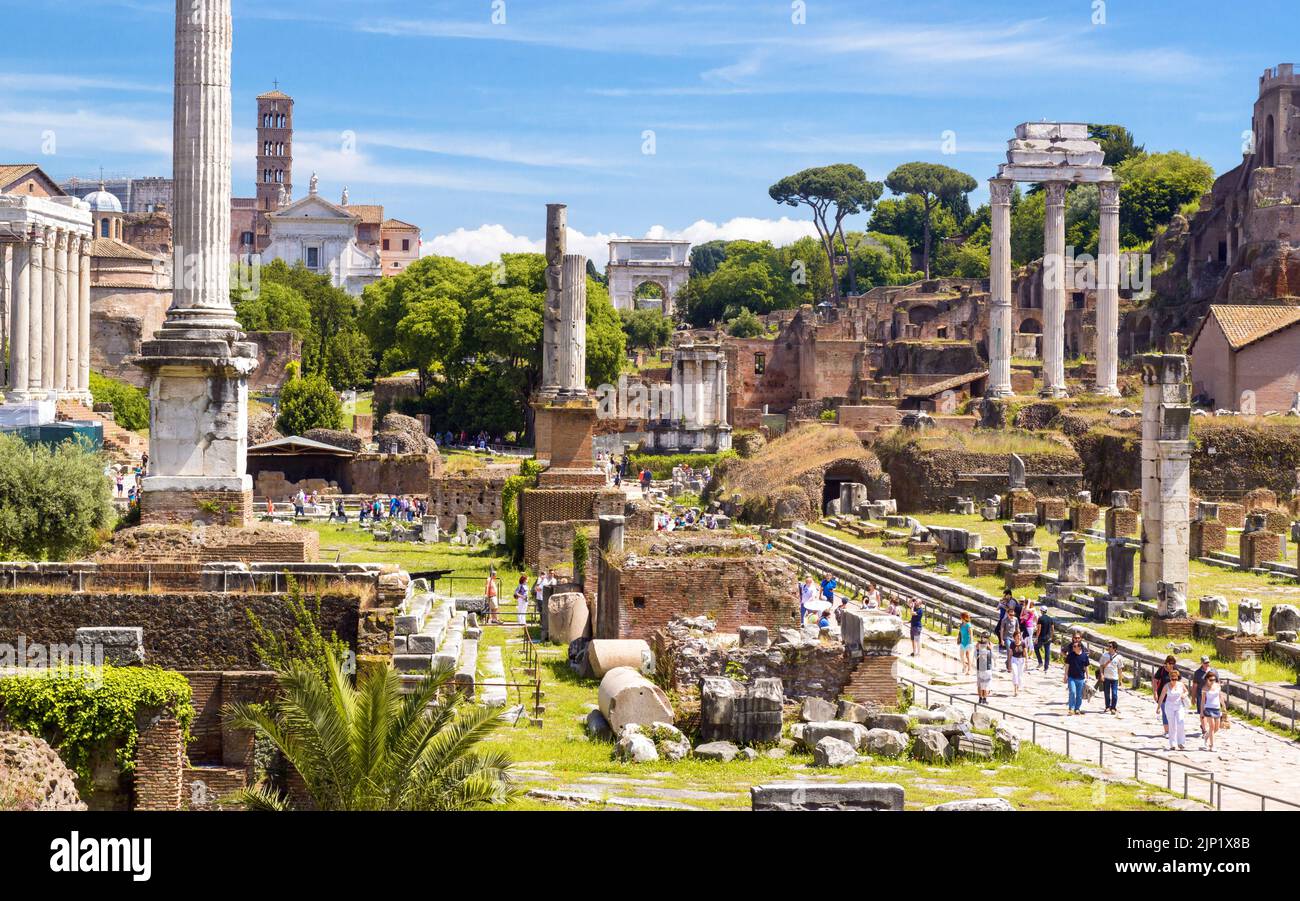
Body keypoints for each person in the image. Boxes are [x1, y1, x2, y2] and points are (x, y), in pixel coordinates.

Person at [1158, 668, 1191, 751]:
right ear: (1170, 678)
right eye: (1173, 679)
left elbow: (1187, 691)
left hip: (1179, 706)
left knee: (1180, 722)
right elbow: (1162, 696)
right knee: (1172, 725)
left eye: (1176, 679)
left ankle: (1181, 742)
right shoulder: (1166, 686)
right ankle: (1173, 743)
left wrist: (1184, 694)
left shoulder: (1180, 684)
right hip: (1169, 707)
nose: (1174, 681)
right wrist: (1158, 707)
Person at [1064, 632, 1090, 715]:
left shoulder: (1084, 656)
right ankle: (1071, 708)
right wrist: (1065, 675)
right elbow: (1067, 665)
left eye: (1075, 646)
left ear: (1079, 647)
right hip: (1071, 677)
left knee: (1079, 695)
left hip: (1081, 678)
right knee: (1072, 692)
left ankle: (1077, 708)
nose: (1073, 647)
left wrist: (1088, 676)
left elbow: (1086, 666)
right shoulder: (1070, 655)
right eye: (1073, 646)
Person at [1152, 655, 1177, 737]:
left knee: (1173, 713)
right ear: (1166, 663)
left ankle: (1173, 729)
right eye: (1170, 663)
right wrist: (1155, 692)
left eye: (1173, 663)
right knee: (1165, 713)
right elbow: (1155, 681)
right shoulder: (1162, 670)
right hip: (1162, 695)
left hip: (1173, 696)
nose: (1172, 665)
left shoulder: (1175, 670)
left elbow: (1179, 681)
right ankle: (1167, 731)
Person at [1200, 672, 1224, 752]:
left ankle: (1207, 736)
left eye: (1214, 679)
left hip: (1217, 708)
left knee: (1217, 728)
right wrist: (1201, 712)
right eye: (1211, 680)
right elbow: (1203, 701)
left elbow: (1220, 696)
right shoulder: (1204, 688)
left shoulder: (1217, 686)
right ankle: (1212, 745)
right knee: (1212, 726)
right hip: (1208, 708)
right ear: (1207, 679)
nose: (1213, 681)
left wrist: (1224, 706)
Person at [1098, 641, 1122, 714]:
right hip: (1106, 677)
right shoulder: (1104, 655)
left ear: (1114, 648)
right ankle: (1107, 706)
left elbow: (1120, 669)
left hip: (1114, 678)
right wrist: (1102, 675)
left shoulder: (1119, 657)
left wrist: (1120, 680)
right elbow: (1101, 666)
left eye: (1110, 646)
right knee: (1107, 693)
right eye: (1108, 646)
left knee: (1114, 694)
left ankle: (1113, 707)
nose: (1108, 647)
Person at [975, 634, 994, 704]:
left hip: (981, 668)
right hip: (986, 668)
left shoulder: (978, 647)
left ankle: (981, 698)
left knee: (980, 684)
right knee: (985, 685)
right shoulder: (988, 649)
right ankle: (984, 699)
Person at [1008, 630, 1027, 696]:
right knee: (1015, 674)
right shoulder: (1012, 643)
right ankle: (1015, 689)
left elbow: (1025, 653)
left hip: (1021, 660)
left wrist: (1026, 663)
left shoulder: (1023, 643)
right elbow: (1010, 653)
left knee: (1020, 676)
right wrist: (1009, 663)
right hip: (1014, 660)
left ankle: (1018, 687)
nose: (1019, 637)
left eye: (1019, 636)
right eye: (1017, 636)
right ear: (1014, 637)